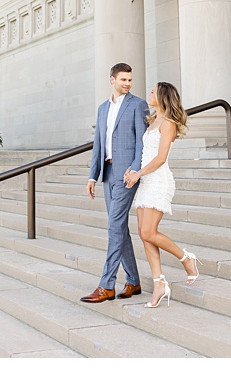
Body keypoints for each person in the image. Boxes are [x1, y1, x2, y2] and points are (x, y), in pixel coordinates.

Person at [124, 82, 200, 307]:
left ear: (162, 96)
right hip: (145, 178)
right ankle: (159, 283)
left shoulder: (168, 124)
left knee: (148, 231)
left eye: (153, 91)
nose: (149, 93)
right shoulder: (152, 121)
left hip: (158, 180)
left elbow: (160, 158)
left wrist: (138, 174)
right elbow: (145, 153)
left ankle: (186, 258)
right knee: (143, 233)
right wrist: (133, 170)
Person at [80, 62, 148, 303]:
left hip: (126, 175)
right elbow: (98, 144)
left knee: (114, 227)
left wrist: (136, 170)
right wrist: (92, 176)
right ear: (112, 79)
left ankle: (107, 285)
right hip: (107, 173)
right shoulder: (102, 109)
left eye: (130, 79)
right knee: (119, 227)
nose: (128, 84)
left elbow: (142, 141)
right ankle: (134, 280)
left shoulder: (138, 105)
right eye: (123, 80)